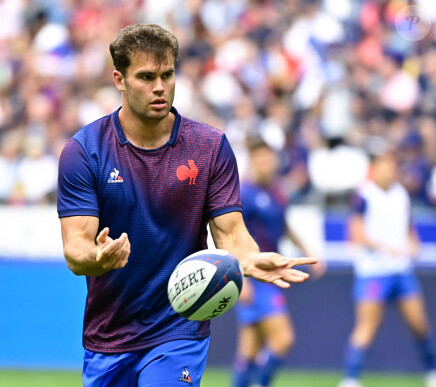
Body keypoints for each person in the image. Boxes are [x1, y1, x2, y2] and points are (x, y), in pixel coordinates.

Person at [57, 23, 317, 387]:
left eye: (167, 74)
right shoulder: (85, 151)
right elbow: (75, 248)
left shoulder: (210, 147)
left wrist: (249, 258)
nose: (160, 87)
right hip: (109, 333)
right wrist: (96, 257)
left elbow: (230, 233)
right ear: (120, 79)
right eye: (146, 77)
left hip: (178, 327)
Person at [338, 152, 436, 387]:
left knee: (420, 324)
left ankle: (432, 372)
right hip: (373, 272)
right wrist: (386, 248)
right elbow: (356, 232)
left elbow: (407, 227)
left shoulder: (401, 194)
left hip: (401, 271)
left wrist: (413, 243)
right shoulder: (364, 196)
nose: (389, 171)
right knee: (367, 328)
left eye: (392, 166)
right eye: (384, 166)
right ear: (375, 168)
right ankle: (351, 379)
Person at [232, 138, 324, 387]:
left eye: (268, 158)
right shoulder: (244, 194)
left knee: (249, 349)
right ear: (251, 162)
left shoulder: (277, 193)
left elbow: (283, 226)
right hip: (254, 277)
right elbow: (232, 235)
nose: (265, 163)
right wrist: (240, 277)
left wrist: (308, 251)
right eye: (259, 158)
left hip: (271, 275)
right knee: (283, 339)